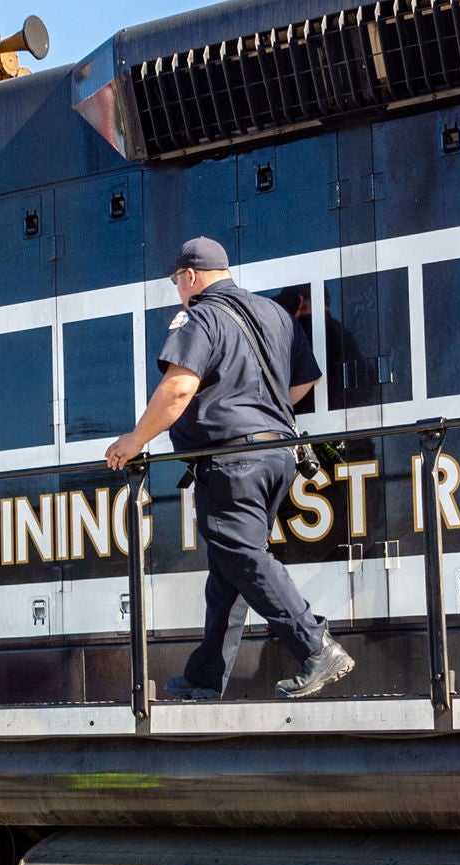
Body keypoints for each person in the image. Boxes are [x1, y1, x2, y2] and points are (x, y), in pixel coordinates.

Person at [105, 236, 355, 701]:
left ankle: (316, 644)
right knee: (229, 568)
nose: (179, 289)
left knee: (242, 556)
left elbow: (179, 388)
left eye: (178, 280)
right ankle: (205, 676)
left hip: (231, 461)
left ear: (191, 277)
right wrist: (257, 414)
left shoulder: (199, 315)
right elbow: (305, 381)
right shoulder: (274, 314)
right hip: (278, 456)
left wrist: (134, 441)